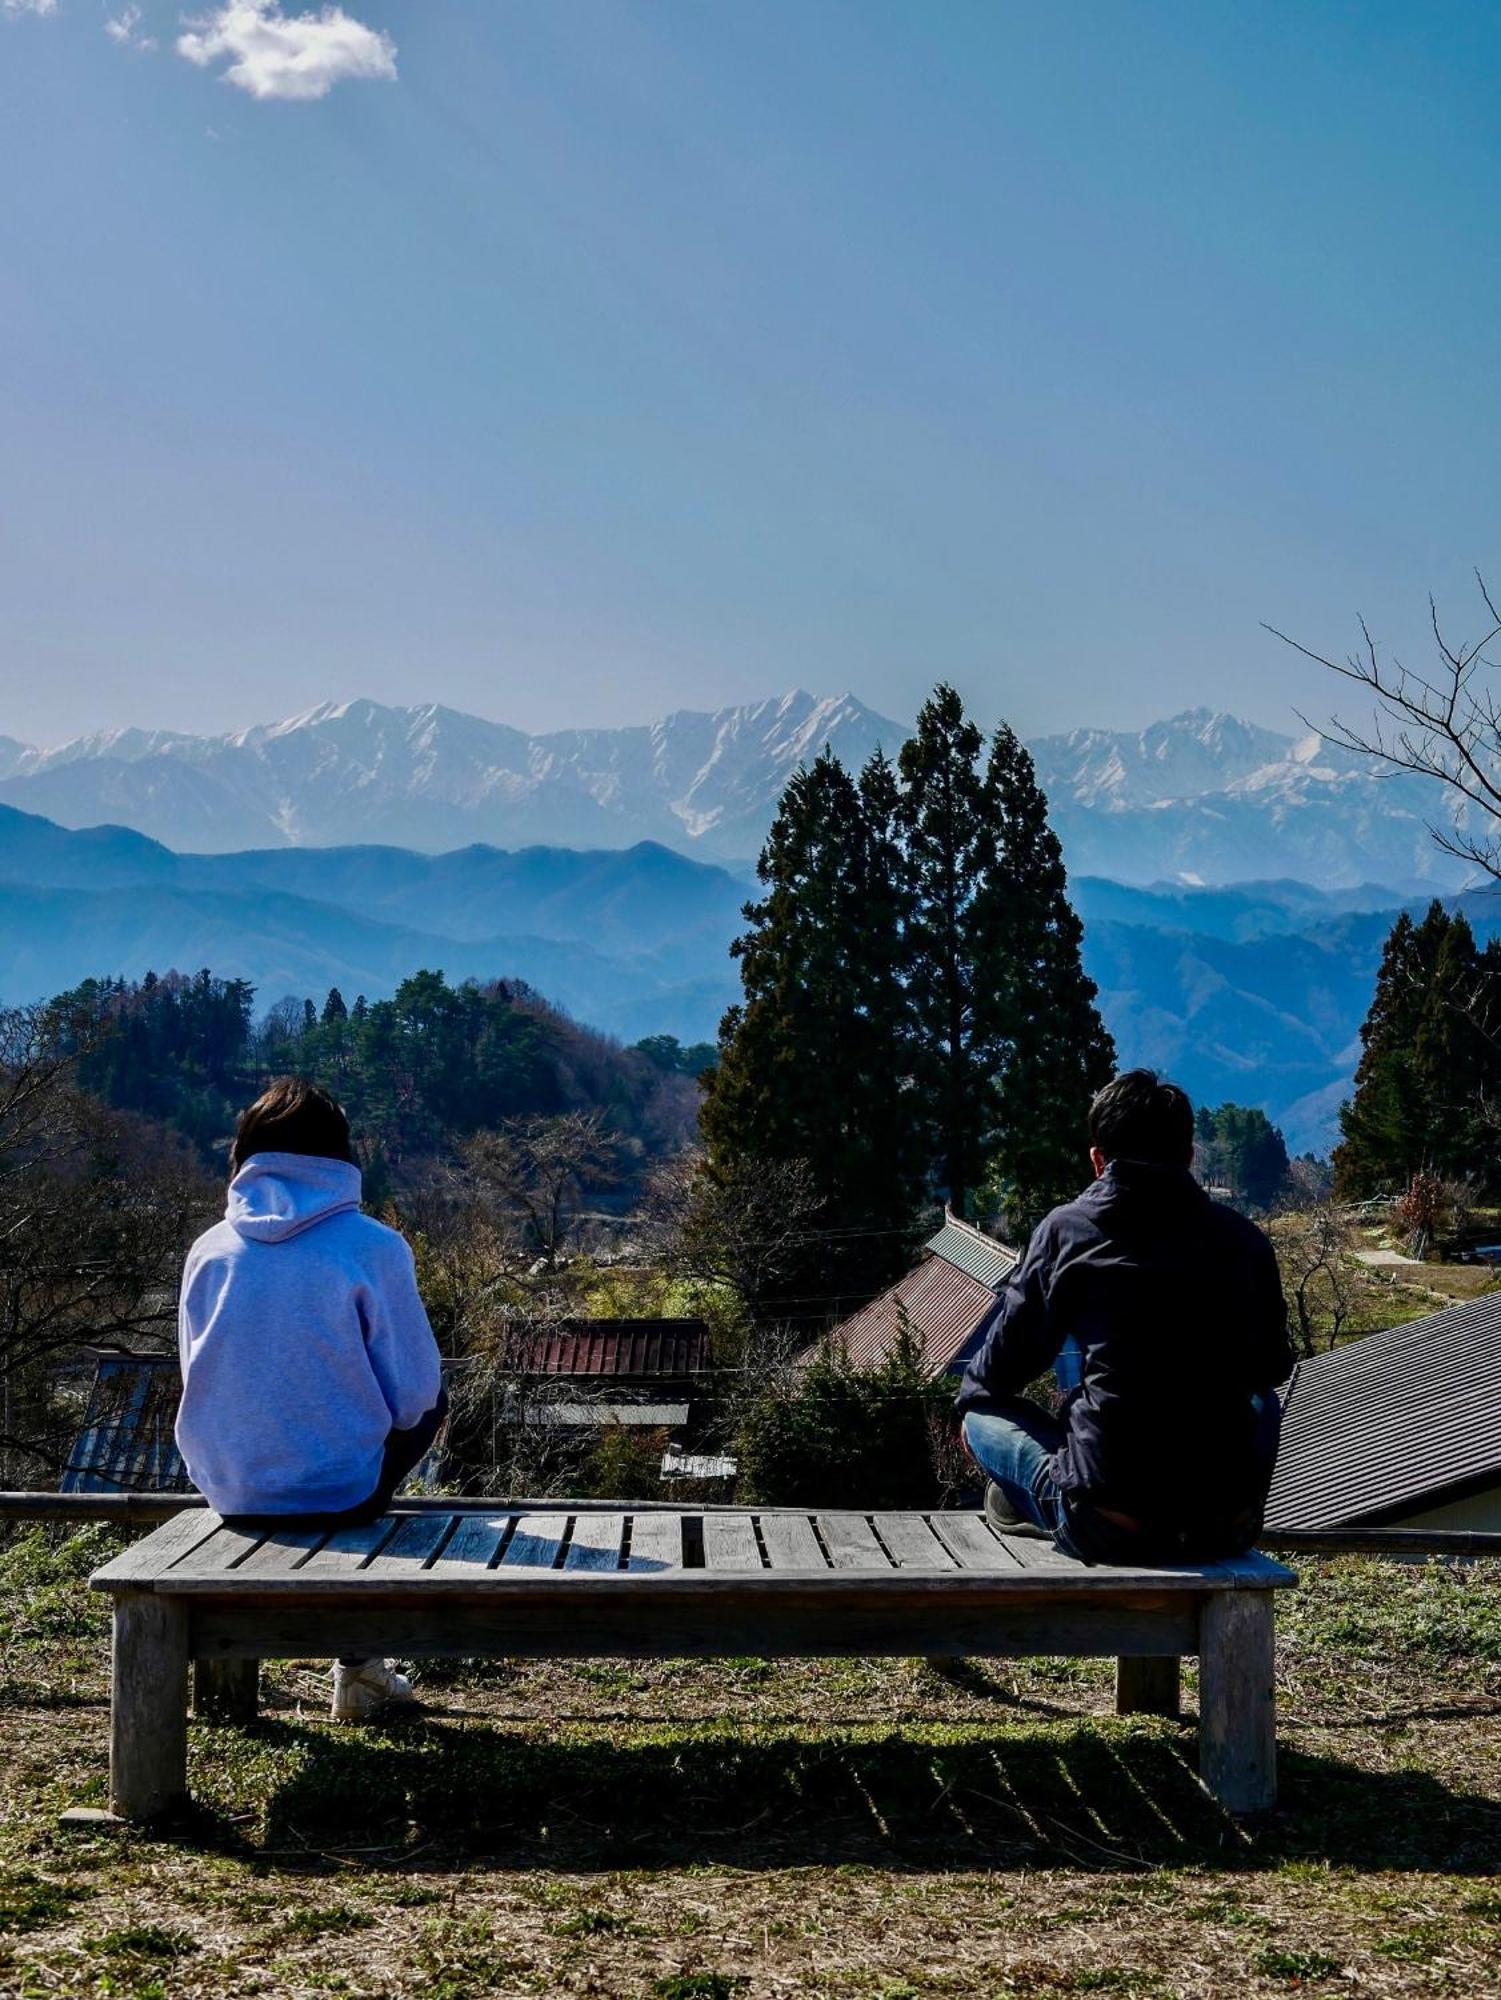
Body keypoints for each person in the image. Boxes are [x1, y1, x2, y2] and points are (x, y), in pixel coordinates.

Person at [176, 1077, 447, 1721]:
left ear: (243, 1156)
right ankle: (361, 1670)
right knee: (435, 1391)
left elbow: (197, 1372)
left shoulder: (209, 1249)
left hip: (229, 1487)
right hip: (341, 1489)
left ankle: (358, 1664)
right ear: (339, 1158)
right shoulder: (372, 1246)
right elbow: (415, 1396)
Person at [956, 1069, 1295, 1565]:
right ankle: (1220, 1508)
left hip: (1109, 1526)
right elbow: (1272, 1367)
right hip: (1220, 1526)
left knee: (980, 1418)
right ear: (1189, 1156)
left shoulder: (1067, 1232)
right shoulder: (1245, 1241)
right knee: (1260, 1398)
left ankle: (1028, 1496)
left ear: (1098, 1160)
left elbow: (1003, 1368)